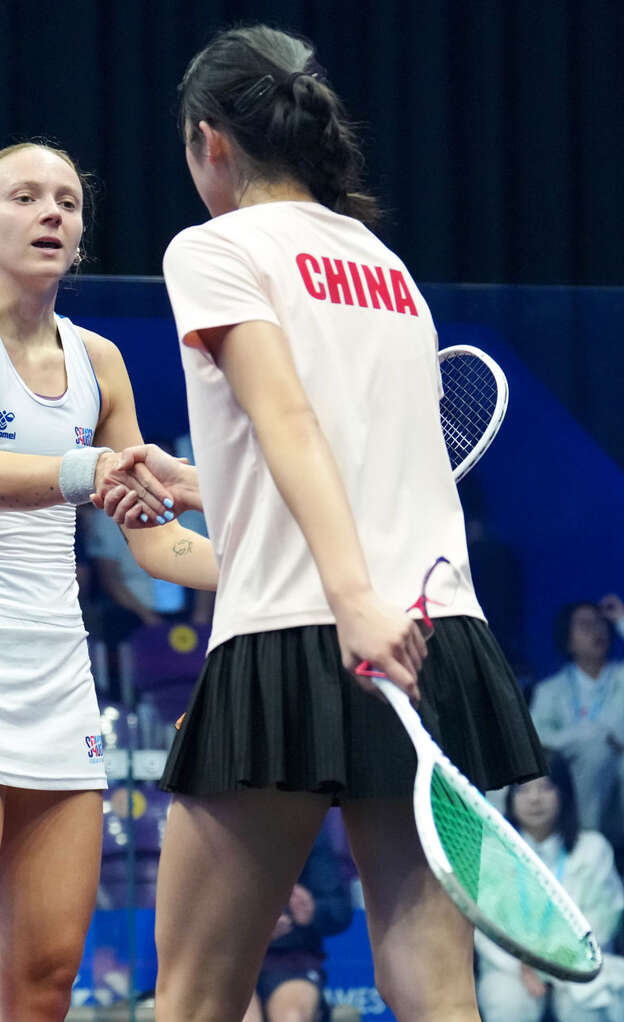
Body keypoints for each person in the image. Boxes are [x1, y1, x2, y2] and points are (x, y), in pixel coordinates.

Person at [106, 25, 545, 1022]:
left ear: (209, 140)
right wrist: (199, 481)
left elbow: (289, 420)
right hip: (431, 635)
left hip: (300, 634)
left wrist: (347, 598)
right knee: (436, 991)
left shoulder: (213, 248)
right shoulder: (386, 266)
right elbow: (354, 459)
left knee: (193, 995)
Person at [0, 140, 216, 1022]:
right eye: (25, 197)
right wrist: (93, 466)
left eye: (67, 200)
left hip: (58, 670)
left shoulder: (101, 362)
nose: (52, 212)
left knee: (47, 981)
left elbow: (156, 544)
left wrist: (288, 576)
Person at [475, 751, 624, 1022]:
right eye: (523, 789)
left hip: (579, 962)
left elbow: (604, 917)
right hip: (510, 966)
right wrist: (521, 962)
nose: (535, 798)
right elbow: (482, 925)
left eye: (546, 787)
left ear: (564, 793)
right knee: (508, 1003)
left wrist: (558, 961)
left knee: (585, 1004)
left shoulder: (592, 848)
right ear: (509, 797)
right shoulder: (493, 852)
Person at [530, 597, 624, 832]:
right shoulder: (550, 689)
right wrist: (586, 736)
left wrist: (621, 620)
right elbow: (537, 737)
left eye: (601, 623)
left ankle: (587, 836)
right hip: (572, 775)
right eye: (585, 625)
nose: (597, 630)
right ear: (568, 641)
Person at [241, 827, 352, 1022]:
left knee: (292, 1018)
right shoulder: (216, 827)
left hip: (291, 961)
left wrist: (312, 911)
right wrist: (251, 933)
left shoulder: (308, 830)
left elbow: (339, 909)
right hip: (228, 961)